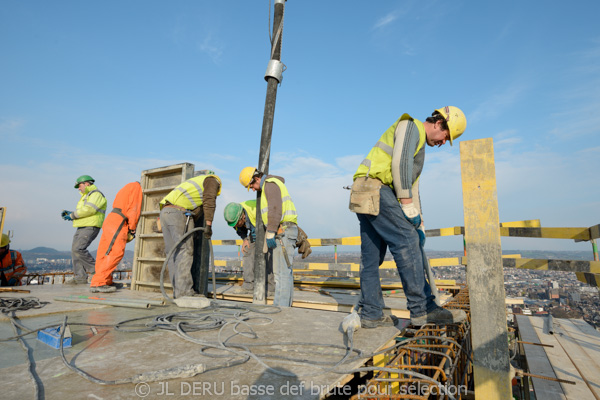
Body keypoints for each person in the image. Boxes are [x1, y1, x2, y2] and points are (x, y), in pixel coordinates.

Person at [351, 106, 468, 328]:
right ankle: (422, 309)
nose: (444, 143)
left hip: (362, 190)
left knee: (371, 257)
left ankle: (371, 314)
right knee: (406, 242)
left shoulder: (419, 146)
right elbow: (400, 164)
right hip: (377, 188)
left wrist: (419, 223)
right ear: (439, 123)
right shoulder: (411, 126)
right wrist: (405, 204)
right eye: (446, 136)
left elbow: (412, 187)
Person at [239, 167, 298, 307]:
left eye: (251, 185)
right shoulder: (271, 184)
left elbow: (275, 208)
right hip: (284, 230)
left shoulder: (269, 185)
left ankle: (280, 310)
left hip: (282, 231)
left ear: (257, 178)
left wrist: (270, 231)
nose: (253, 189)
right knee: (285, 274)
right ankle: (285, 309)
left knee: (281, 276)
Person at [159, 170, 221, 299]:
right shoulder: (212, 180)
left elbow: (197, 208)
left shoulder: (190, 184)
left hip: (164, 213)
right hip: (179, 213)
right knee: (185, 251)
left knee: (172, 254)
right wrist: (208, 225)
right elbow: (209, 201)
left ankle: (178, 292)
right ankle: (185, 292)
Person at [90, 182, 143, 293]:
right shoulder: (136, 187)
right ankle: (98, 283)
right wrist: (132, 227)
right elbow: (134, 208)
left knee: (104, 253)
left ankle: (106, 281)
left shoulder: (125, 187)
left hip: (112, 219)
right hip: (119, 222)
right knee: (116, 253)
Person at [62, 175, 107, 284]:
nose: (78, 188)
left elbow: (90, 210)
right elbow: (84, 211)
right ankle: (80, 277)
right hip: (83, 226)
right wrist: (71, 214)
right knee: (74, 251)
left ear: (87, 183)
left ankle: (97, 272)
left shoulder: (96, 194)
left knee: (79, 249)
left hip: (91, 226)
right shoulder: (87, 195)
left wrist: (72, 215)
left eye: (79, 185)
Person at [223, 201, 275, 295]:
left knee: (268, 255)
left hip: (267, 227)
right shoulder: (235, 218)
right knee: (248, 251)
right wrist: (245, 239)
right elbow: (239, 229)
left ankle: (270, 287)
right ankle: (248, 286)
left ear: (242, 216)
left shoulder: (254, 211)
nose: (235, 225)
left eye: (237, 223)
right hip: (255, 229)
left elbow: (269, 221)